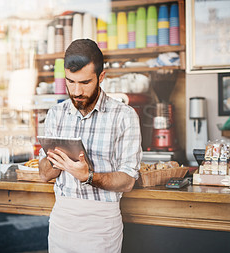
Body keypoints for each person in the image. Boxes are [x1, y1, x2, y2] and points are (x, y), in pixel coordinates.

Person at [38, 39, 142, 253]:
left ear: (101, 77)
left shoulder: (124, 116)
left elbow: (128, 181)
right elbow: (44, 175)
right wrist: (58, 160)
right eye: (71, 81)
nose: (76, 91)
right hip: (61, 221)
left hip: (101, 225)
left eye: (85, 82)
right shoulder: (56, 114)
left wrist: (88, 176)